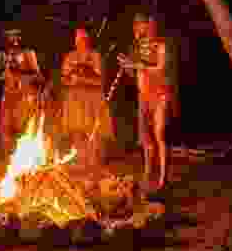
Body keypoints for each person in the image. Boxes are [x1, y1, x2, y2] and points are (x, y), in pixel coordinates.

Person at [118, 13, 178, 191]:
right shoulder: (137, 47)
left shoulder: (162, 45)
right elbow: (134, 71)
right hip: (143, 95)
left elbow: (160, 69)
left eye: (142, 25)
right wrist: (127, 65)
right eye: (136, 25)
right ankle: (147, 175)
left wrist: (138, 66)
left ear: (152, 26)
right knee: (146, 139)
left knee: (160, 135)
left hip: (160, 95)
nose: (138, 28)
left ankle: (162, 179)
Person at [59, 27, 115, 170]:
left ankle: (94, 159)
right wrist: (70, 81)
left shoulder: (95, 56)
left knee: (93, 130)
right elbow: (64, 78)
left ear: (88, 40)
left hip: (93, 97)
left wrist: (82, 80)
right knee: (77, 130)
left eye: (83, 38)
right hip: (74, 97)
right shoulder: (70, 56)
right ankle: (80, 158)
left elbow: (100, 80)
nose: (80, 41)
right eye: (77, 39)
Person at [0, 29, 43, 153]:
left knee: (21, 127)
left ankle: (24, 153)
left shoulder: (28, 53)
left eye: (16, 35)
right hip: (8, 95)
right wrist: (5, 74)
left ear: (20, 37)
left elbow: (38, 75)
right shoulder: (2, 55)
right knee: (5, 127)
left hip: (24, 96)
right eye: (10, 35)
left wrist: (20, 75)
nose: (13, 38)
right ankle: (10, 157)